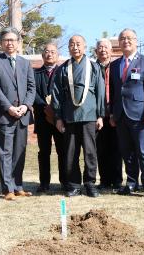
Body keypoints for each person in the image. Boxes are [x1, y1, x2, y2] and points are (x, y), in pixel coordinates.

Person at [52, 35, 105, 197]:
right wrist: (58, 117)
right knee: (71, 152)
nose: (75, 47)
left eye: (78, 44)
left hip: (89, 115)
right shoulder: (62, 69)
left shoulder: (94, 67)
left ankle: (90, 184)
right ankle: (74, 184)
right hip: (70, 117)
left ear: (85, 46)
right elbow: (56, 94)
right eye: (71, 44)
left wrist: (101, 115)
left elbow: (100, 92)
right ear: (68, 47)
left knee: (90, 152)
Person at [109, 28, 144, 199]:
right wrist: (112, 114)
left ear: (136, 41)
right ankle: (131, 183)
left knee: (143, 151)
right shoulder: (114, 65)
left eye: (129, 38)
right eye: (122, 38)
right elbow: (114, 91)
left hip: (140, 114)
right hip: (120, 115)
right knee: (127, 152)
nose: (126, 41)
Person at [0, 28, 36, 200]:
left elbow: (32, 87)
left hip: (22, 115)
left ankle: (18, 186)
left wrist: (26, 105)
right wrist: (9, 107)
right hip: (5, 115)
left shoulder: (25, 62)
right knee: (5, 152)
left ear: (18, 43)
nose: (10, 43)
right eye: (6, 40)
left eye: (13, 40)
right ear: (1, 43)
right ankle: (7, 189)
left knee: (19, 152)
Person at [33, 43, 65, 193]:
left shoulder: (63, 72)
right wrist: (46, 107)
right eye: (46, 51)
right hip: (42, 118)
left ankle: (64, 181)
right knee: (44, 151)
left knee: (62, 150)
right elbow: (31, 92)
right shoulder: (35, 73)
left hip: (59, 119)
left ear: (57, 55)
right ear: (42, 55)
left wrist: (55, 109)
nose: (49, 54)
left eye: (53, 52)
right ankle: (44, 182)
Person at [95, 38, 123, 191]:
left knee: (116, 148)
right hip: (98, 115)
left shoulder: (117, 67)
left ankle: (117, 180)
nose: (103, 50)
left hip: (115, 114)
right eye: (100, 48)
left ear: (111, 51)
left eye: (106, 47)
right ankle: (104, 179)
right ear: (96, 51)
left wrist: (114, 113)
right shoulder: (92, 68)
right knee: (101, 148)